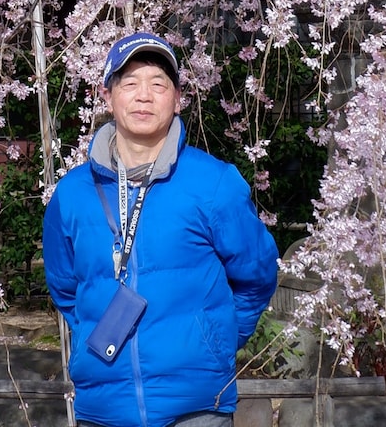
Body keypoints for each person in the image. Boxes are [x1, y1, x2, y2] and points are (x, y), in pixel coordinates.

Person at [42, 31, 279, 427]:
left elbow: (257, 274)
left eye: (158, 84)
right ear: (107, 97)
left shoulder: (213, 183)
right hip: (104, 409)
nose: (144, 96)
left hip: (197, 409)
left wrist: (216, 342)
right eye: (130, 84)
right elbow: (65, 290)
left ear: (177, 98)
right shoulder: (71, 194)